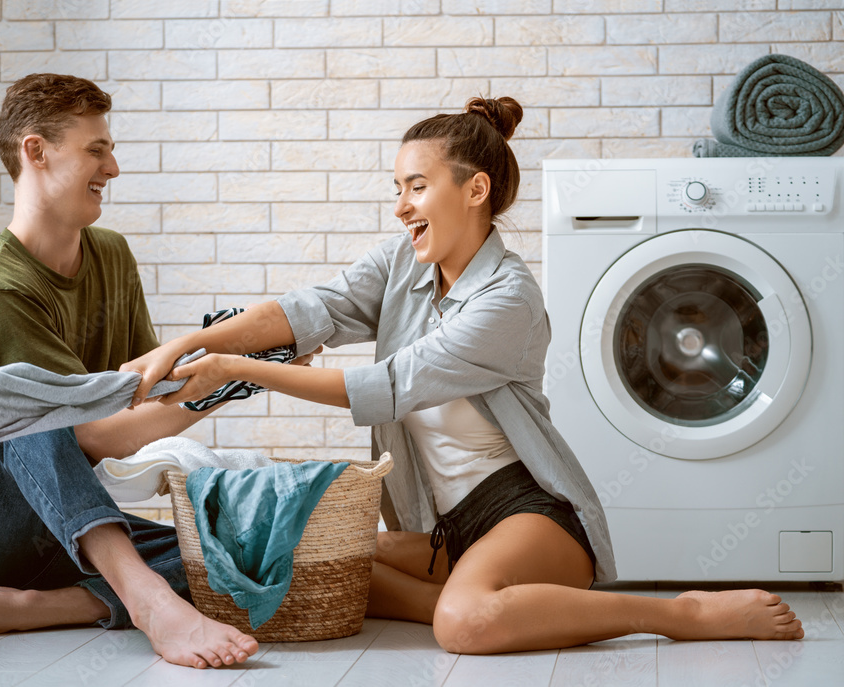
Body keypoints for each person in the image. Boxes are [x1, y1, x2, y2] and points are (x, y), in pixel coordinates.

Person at [121, 96, 805, 653]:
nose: (401, 206)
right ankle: (480, 598)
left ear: (474, 189)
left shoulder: (509, 296)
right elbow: (313, 309)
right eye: (398, 189)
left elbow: (387, 384)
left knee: (462, 625)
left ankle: (677, 613)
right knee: (300, 561)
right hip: (449, 533)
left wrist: (236, 370)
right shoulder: (403, 265)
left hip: (526, 515)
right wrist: (191, 340)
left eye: (416, 187)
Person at [0, 73, 259, 670]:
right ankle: (144, 600)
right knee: (32, 406)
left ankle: (29, 608)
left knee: (236, 554)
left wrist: (247, 365)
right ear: (35, 151)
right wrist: (228, 382)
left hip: (57, 527)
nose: (113, 167)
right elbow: (87, 433)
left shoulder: (112, 255)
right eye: (97, 149)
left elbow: (143, 410)